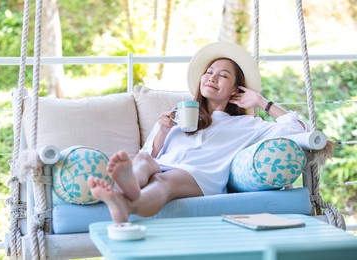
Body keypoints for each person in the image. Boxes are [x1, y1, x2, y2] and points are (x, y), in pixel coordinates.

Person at [87, 42, 308, 223]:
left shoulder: (248, 124)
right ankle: (127, 193)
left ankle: (126, 200)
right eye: (209, 72)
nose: (212, 77)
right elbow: (151, 154)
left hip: (199, 176)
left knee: (162, 181)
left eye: (222, 75)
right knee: (144, 160)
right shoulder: (177, 113)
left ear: (235, 89)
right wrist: (163, 130)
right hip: (164, 163)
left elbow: (298, 129)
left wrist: (261, 102)